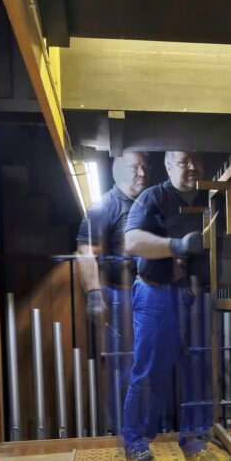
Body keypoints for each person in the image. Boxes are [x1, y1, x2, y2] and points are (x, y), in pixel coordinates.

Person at [122, 151, 214, 461]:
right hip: (156, 293)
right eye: (185, 160)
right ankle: (136, 441)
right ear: (169, 165)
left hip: (197, 295)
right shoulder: (153, 197)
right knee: (148, 372)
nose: (192, 166)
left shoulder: (212, 197)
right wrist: (176, 246)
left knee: (199, 371)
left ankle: (195, 439)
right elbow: (132, 241)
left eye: (196, 160)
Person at [76, 151, 149, 434]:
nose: (142, 173)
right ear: (118, 170)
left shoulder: (149, 203)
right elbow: (85, 251)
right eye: (135, 167)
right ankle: (123, 432)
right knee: (124, 369)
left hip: (150, 296)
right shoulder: (104, 206)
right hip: (121, 298)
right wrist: (94, 294)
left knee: (151, 365)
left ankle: (150, 429)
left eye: (145, 167)